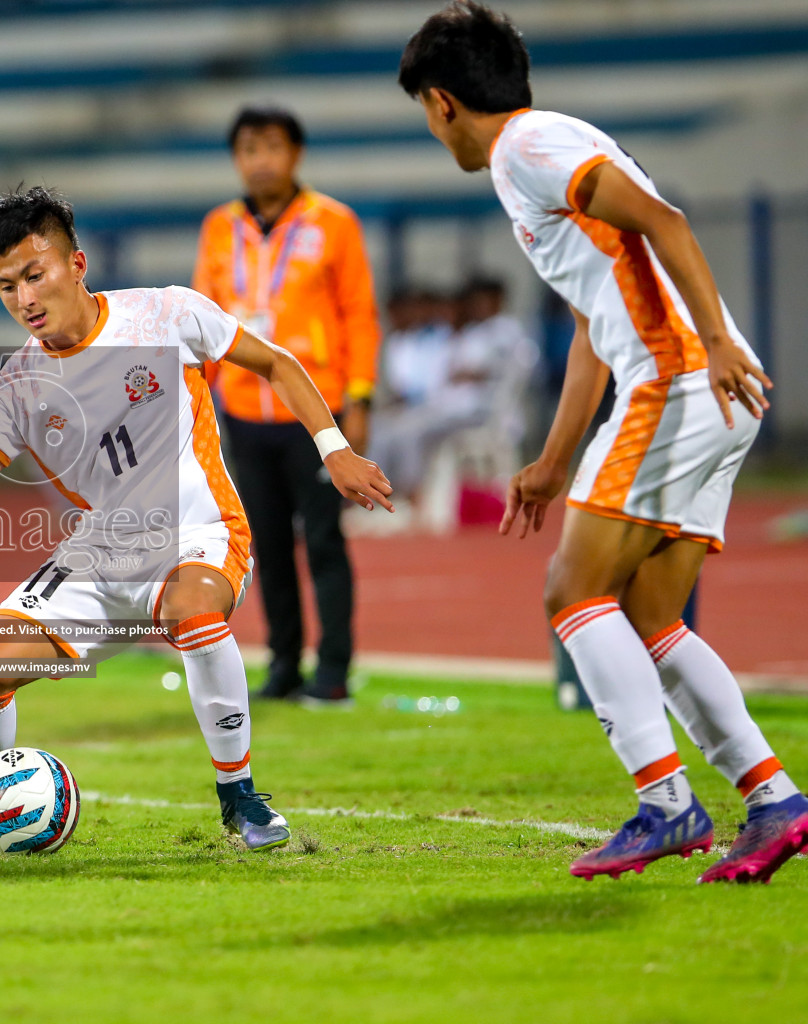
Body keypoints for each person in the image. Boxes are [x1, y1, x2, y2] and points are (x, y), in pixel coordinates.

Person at [400, 1, 807, 882]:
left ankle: (666, 806)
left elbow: (667, 221)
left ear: (442, 104)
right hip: (707, 388)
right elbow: (593, 323)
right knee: (655, 617)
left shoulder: (524, 148)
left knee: (572, 592)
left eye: (429, 122)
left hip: (681, 383)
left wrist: (716, 342)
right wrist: (552, 463)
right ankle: (773, 799)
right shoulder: (546, 147)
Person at [0, 186, 393, 853]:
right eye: (7, 287)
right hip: (103, 554)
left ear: (76, 264)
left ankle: (240, 797)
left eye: (35, 275)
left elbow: (276, 362)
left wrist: (337, 449)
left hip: (201, 534)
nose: (25, 299)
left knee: (195, 612)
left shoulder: (164, 314)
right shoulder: (13, 391)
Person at [193, 105, 381, 705]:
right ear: (235, 159)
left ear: (296, 154)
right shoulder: (218, 227)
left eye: (272, 147)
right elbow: (205, 320)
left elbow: (359, 314)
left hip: (315, 411)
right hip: (245, 411)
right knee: (265, 543)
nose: (261, 160)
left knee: (324, 539)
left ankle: (333, 669)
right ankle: (281, 663)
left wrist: (359, 399)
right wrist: (201, 405)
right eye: (249, 149)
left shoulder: (334, 223)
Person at [370, 276, 538, 499]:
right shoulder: (463, 336)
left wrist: (478, 373)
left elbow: (520, 365)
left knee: (411, 433)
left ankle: (409, 495)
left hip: (477, 412)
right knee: (381, 429)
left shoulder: (499, 331)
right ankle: (377, 491)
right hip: (447, 409)